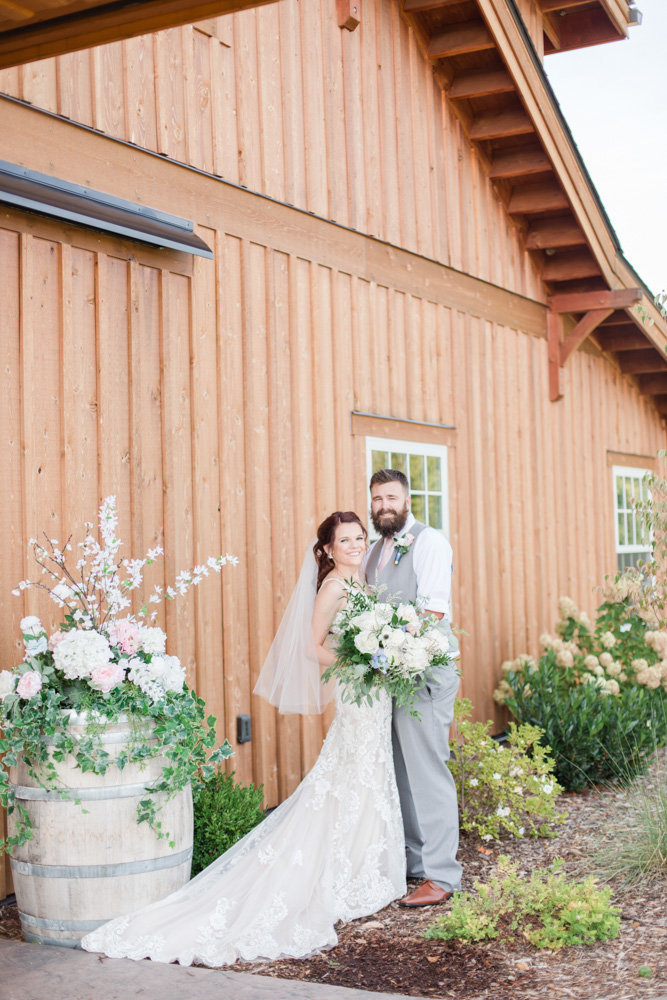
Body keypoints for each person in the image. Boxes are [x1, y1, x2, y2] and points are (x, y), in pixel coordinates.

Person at [80, 511, 406, 967]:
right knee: (352, 774)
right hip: (358, 693)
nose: (355, 544)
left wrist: (384, 652)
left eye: (359, 537)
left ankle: (360, 869)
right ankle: (339, 875)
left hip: (374, 694)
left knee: (368, 774)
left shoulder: (361, 585)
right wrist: (361, 661)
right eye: (345, 540)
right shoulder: (332, 587)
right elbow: (311, 648)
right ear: (328, 548)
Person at [365, 468, 462, 907]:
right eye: (377, 499)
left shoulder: (429, 543)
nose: (384, 506)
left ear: (407, 501)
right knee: (399, 770)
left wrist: (399, 649)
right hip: (391, 675)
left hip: (426, 672)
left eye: (391, 498)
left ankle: (442, 876)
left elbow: (434, 613)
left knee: (428, 770)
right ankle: (416, 863)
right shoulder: (372, 552)